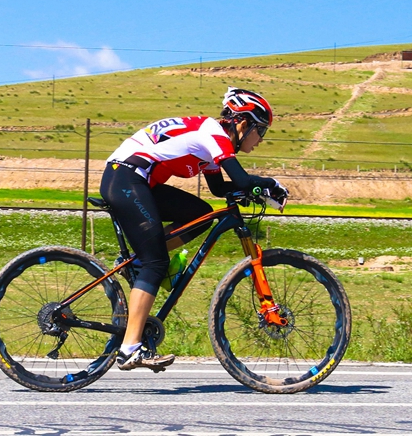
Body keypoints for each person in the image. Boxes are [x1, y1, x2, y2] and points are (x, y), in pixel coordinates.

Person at [99, 87, 288, 371]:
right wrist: (269, 184)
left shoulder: (211, 139)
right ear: (243, 122)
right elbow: (240, 177)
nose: (260, 140)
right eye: (261, 131)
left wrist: (251, 191)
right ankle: (129, 349)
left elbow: (219, 187)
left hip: (134, 180)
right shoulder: (214, 134)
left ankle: (137, 262)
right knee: (157, 263)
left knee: (200, 214)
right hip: (126, 178)